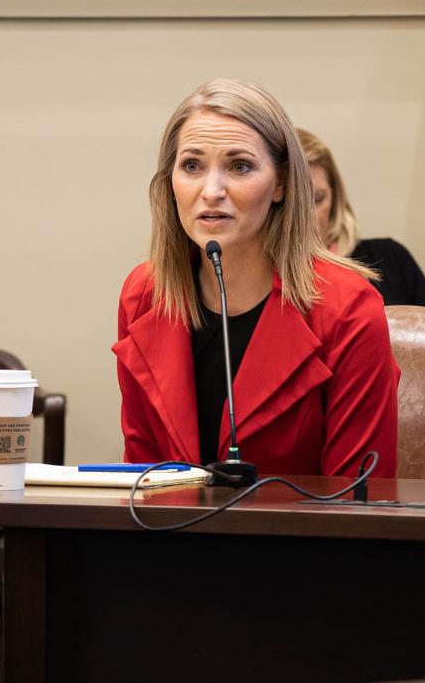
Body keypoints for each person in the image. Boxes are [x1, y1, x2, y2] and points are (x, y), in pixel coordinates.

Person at [113, 79, 399, 477]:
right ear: (170, 182)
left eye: (240, 166)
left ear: (281, 183)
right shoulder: (145, 296)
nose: (211, 191)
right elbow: (143, 482)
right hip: (169, 536)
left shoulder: (348, 308)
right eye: (192, 165)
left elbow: (357, 499)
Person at [297, 128, 425, 309]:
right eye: (294, 203)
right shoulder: (260, 284)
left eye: (317, 199)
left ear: (335, 198)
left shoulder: (389, 259)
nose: (307, 216)